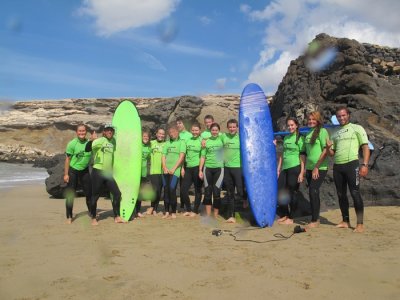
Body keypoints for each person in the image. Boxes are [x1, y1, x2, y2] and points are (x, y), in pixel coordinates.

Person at [326, 106, 370, 233]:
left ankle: (360, 224)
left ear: (348, 115)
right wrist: (328, 147)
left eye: (343, 115)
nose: (341, 118)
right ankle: (345, 221)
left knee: (355, 193)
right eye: (339, 116)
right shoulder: (335, 132)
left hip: (352, 165)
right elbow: (331, 153)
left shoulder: (357, 128)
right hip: (338, 167)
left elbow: (365, 147)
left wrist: (365, 165)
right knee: (341, 195)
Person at [85, 124, 124, 225]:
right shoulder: (99, 141)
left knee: (117, 194)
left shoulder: (114, 141)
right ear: (104, 132)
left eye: (111, 130)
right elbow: (87, 148)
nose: (109, 132)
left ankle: (117, 216)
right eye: (107, 130)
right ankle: (93, 217)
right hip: (98, 171)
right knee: (95, 196)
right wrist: (91, 140)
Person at [277, 117, 305, 225]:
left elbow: (302, 156)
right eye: (288, 125)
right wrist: (278, 168)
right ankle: (285, 215)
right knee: (281, 191)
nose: (290, 127)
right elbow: (282, 155)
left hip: (295, 167)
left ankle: (292, 218)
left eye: (292, 125)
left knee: (292, 193)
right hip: (285, 168)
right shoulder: (286, 137)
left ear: (296, 125)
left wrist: (302, 172)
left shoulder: (300, 138)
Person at [303, 111, 329, 228]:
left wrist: (317, 167)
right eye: (309, 119)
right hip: (309, 168)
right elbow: (304, 153)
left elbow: (325, 150)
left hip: (320, 168)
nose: (311, 121)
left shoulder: (322, 131)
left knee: (313, 191)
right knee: (313, 193)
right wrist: (303, 169)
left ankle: (315, 220)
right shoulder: (308, 134)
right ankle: (315, 217)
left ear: (318, 120)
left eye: (313, 120)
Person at [63, 124, 92, 224]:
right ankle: (69, 216)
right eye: (79, 131)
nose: (81, 133)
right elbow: (67, 159)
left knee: (89, 194)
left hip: (85, 171)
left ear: (86, 132)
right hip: (73, 171)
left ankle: (91, 212)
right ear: (76, 132)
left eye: (83, 131)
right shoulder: (72, 144)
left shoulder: (89, 143)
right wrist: (66, 174)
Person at [199, 123, 224, 217]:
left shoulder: (222, 139)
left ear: (219, 131)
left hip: (219, 168)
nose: (214, 132)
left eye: (216, 130)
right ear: (210, 131)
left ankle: (216, 215)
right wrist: (200, 170)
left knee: (217, 192)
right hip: (207, 168)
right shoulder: (206, 141)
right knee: (208, 192)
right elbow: (202, 157)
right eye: (213, 130)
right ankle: (209, 215)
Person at [221, 119, 244, 223]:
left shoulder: (241, 137)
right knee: (230, 192)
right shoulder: (224, 136)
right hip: (227, 168)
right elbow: (213, 137)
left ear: (237, 127)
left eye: (234, 127)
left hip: (238, 168)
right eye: (230, 127)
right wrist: (204, 140)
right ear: (227, 127)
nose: (232, 129)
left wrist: (272, 141)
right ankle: (231, 215)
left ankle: (245, 205)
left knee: (240, 191)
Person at [162, 123, 186, 219]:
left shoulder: (182, 143)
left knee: (172, 189)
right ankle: (167, 211)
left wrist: (174, 168)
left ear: (177, 132)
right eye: (169, 133)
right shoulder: (167, 143)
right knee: (166, 190)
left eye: (173, 132)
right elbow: (163, 156)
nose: (171, 134)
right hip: (165, 170)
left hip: (175, 171)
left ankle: (173, 211)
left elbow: (181, 157)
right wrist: (164, 167)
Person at [180, 122, 203, 216]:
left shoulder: (202, 141)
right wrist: (182, 168)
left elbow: (203, 156)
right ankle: (188, 209)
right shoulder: (187, 141)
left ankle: (195, 210)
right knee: (183, 189)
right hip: (188, 168)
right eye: (193, 130)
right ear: (191, 131)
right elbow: (183, 155)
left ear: (200, 131)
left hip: (197, 167)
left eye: (196, 130)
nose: (194, 132)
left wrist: (201, 170)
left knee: (198, 190)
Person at [146, 127, 166, 216]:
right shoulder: (151, 143)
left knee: (159, 190)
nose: (161, 135)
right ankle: (151, 207)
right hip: (153, 171)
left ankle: (155, 209)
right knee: (155, 190)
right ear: (156, 134)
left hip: (163, 171)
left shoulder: (166, 144)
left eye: (163, 134)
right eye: (160, 133)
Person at [134, 128, 151, 219]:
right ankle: (131, 210)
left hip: (143, 173)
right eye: (144, 136)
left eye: (147, 137)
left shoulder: (149, 147)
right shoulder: (137, 145)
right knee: (133, 192)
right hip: (135, 172)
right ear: (141, 137)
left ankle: (137, 211)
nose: (145, 138)